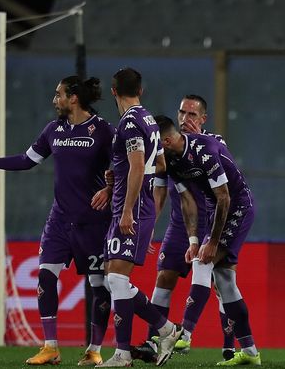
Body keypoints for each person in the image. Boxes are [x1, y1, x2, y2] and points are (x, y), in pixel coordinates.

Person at [0, 76, 114, 366]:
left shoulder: (102, 130)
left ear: (74, 98)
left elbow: (125, 165)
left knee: (99, 285)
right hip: (59, 220)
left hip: (93, 221)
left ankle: (94, 350)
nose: (55, 100)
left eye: (59, 95)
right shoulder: (53, 130)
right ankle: (50, 346)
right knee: (45, 276)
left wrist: (110, 188)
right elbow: (27, 160)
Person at [132, 95, 235, 363]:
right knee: (164, 276)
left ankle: (228, 347)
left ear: (203, 119)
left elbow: (228, 186)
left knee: (222, 284)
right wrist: (148, 229)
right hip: (181, 224)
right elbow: (160, 192)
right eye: (182, 113)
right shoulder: (166, 149)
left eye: (192, 114)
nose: (185, 119)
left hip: (214, 222)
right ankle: (153, 342)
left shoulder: (215, 143)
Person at [155, 115, 261, 366]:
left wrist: (211, 242)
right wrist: (193, 239)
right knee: (225, 282)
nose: (153, 151)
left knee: (203, 262)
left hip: (238, 207)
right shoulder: (171, 161)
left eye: (155, 145)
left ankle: (185, 333)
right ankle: (250, 351)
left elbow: (224, 197)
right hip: (216, 209)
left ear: (167, 141)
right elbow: (188, 202)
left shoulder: (204, 150)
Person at [99, 67, 182, 367]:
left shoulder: (131, 123)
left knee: (117, 279)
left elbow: (137, 166)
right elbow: (159, 164)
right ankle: (165, 329)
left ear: (113, 91)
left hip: (132, 208)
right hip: (134, 203)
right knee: (114, 278)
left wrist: (126, 211)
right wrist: (118, 172)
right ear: (141, 90)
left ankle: (132, 348)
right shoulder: (148, 119)